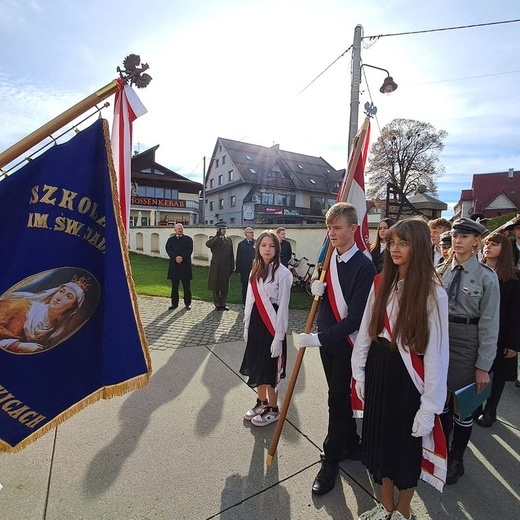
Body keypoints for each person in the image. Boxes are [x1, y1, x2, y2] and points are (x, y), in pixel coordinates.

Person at [352, 218, 449, 520]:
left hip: (410, 376)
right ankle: (385, 505)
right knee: (380, 440)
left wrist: (430, 407)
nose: (394, 248)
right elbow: (367, 328)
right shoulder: (381, 282)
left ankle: (403, 511)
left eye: (403, 243)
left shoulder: (434, 294)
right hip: (380, 366)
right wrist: (359, 372)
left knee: (405, 445)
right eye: (392, 242)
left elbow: (437, 354)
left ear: (418, 246)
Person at [298, 202, 376, 496]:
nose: (331, 232)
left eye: (337, 227)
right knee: (338, 396)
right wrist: (314, 288)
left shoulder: (364, 266)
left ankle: (330, 457)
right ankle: (350, 444)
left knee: (336, 397)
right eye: (329, 227)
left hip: (345, 344)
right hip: (327, 341)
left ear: (354, 229)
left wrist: (318, 339)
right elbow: (323, 301)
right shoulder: (329, 256)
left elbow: (355, 318)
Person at [437, 217, 500, 485]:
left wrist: (483, 365)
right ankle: (438, 452)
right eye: (454, 236)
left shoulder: (487, 277)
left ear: (476, 242)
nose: (457, 241)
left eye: (464, 237)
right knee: (439, 400)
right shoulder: (441, 271)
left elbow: (489, 323)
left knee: (462, 405)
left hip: (468, 341)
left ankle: (457, 459)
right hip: (441, 339)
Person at [240, 230, 292, 426]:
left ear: (277, 248)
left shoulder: (283, 273)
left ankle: (273, 408)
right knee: (257, 365)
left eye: (271, 245)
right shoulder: (255, 268)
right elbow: (250, 300)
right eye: (264, 245)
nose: (267, 249)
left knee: (270, 369)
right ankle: (261, 403)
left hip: (272, 325)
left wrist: (279, 336)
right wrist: (246, 325)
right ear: (257, 247)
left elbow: (284, 306)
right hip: (256, 322)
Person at [476, 233, 520, 426]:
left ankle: (491, 409)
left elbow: (516, 313)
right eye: (487, 244)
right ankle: (475, 405)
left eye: (494, 244)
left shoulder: (513, 278)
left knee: (497, 374)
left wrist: (513, 343)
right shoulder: (477, 272)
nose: (488, 247)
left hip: (502, 334)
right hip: (478, 332)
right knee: (476, 370)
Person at [0, 277, 90, 353]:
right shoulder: (19, 306)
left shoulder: (55, 332)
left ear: (72, 306)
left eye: (68, 296)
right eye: (61, 291)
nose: (59, 298)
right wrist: (18, 346)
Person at [206, 222, 235, 311]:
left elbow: (231, 254)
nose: (224, 231)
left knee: (224, 286)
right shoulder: (213, 239)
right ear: (218, 230)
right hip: (216, 265)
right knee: (215, 285)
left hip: (226, 266)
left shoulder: (229, 240)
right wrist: (217, 236)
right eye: (222, 229)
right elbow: (208, 244)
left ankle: (223, 303)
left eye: (225, 229)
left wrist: (232, 266)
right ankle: (217, 304)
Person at [165, 223, 193, 310]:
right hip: (174, 266)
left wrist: (182, 257)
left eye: (181, 228)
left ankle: (188, 303)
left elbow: (189, 250)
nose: (180, 230)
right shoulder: (170, 240)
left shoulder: (188, 239)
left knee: (186, 286)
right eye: (178, 228)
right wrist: (175, 257)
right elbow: (168, 249)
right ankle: (174, 304)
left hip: (185, 265)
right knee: (174, 286)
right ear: (175, 230)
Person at [235, 227, 256, 305]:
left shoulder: (256, 243)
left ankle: (253, 302)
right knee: (245, 286)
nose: (252, 234)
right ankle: (245, 302)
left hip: (254, 268)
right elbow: (239, 257)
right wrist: (238, 269)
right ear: (246, 234)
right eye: (250, 232)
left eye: (253, 232)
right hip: (245, 268)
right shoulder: (241, 244)